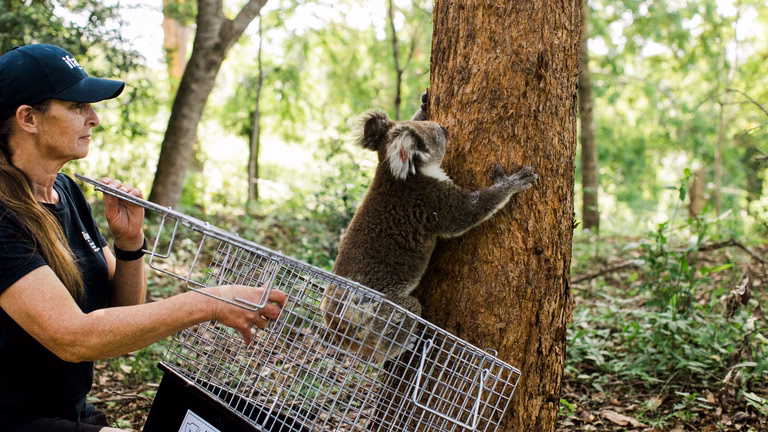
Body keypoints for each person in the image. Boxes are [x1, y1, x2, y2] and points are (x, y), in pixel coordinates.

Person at [0, 44, 287, 432]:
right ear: (28, 118)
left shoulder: (65, 191)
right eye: (76, 106)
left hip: (70, 413)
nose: (94, 118)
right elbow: (74, 337)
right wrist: (207, 302)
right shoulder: (3, 218)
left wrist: (130, 243)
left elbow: (123, 311)